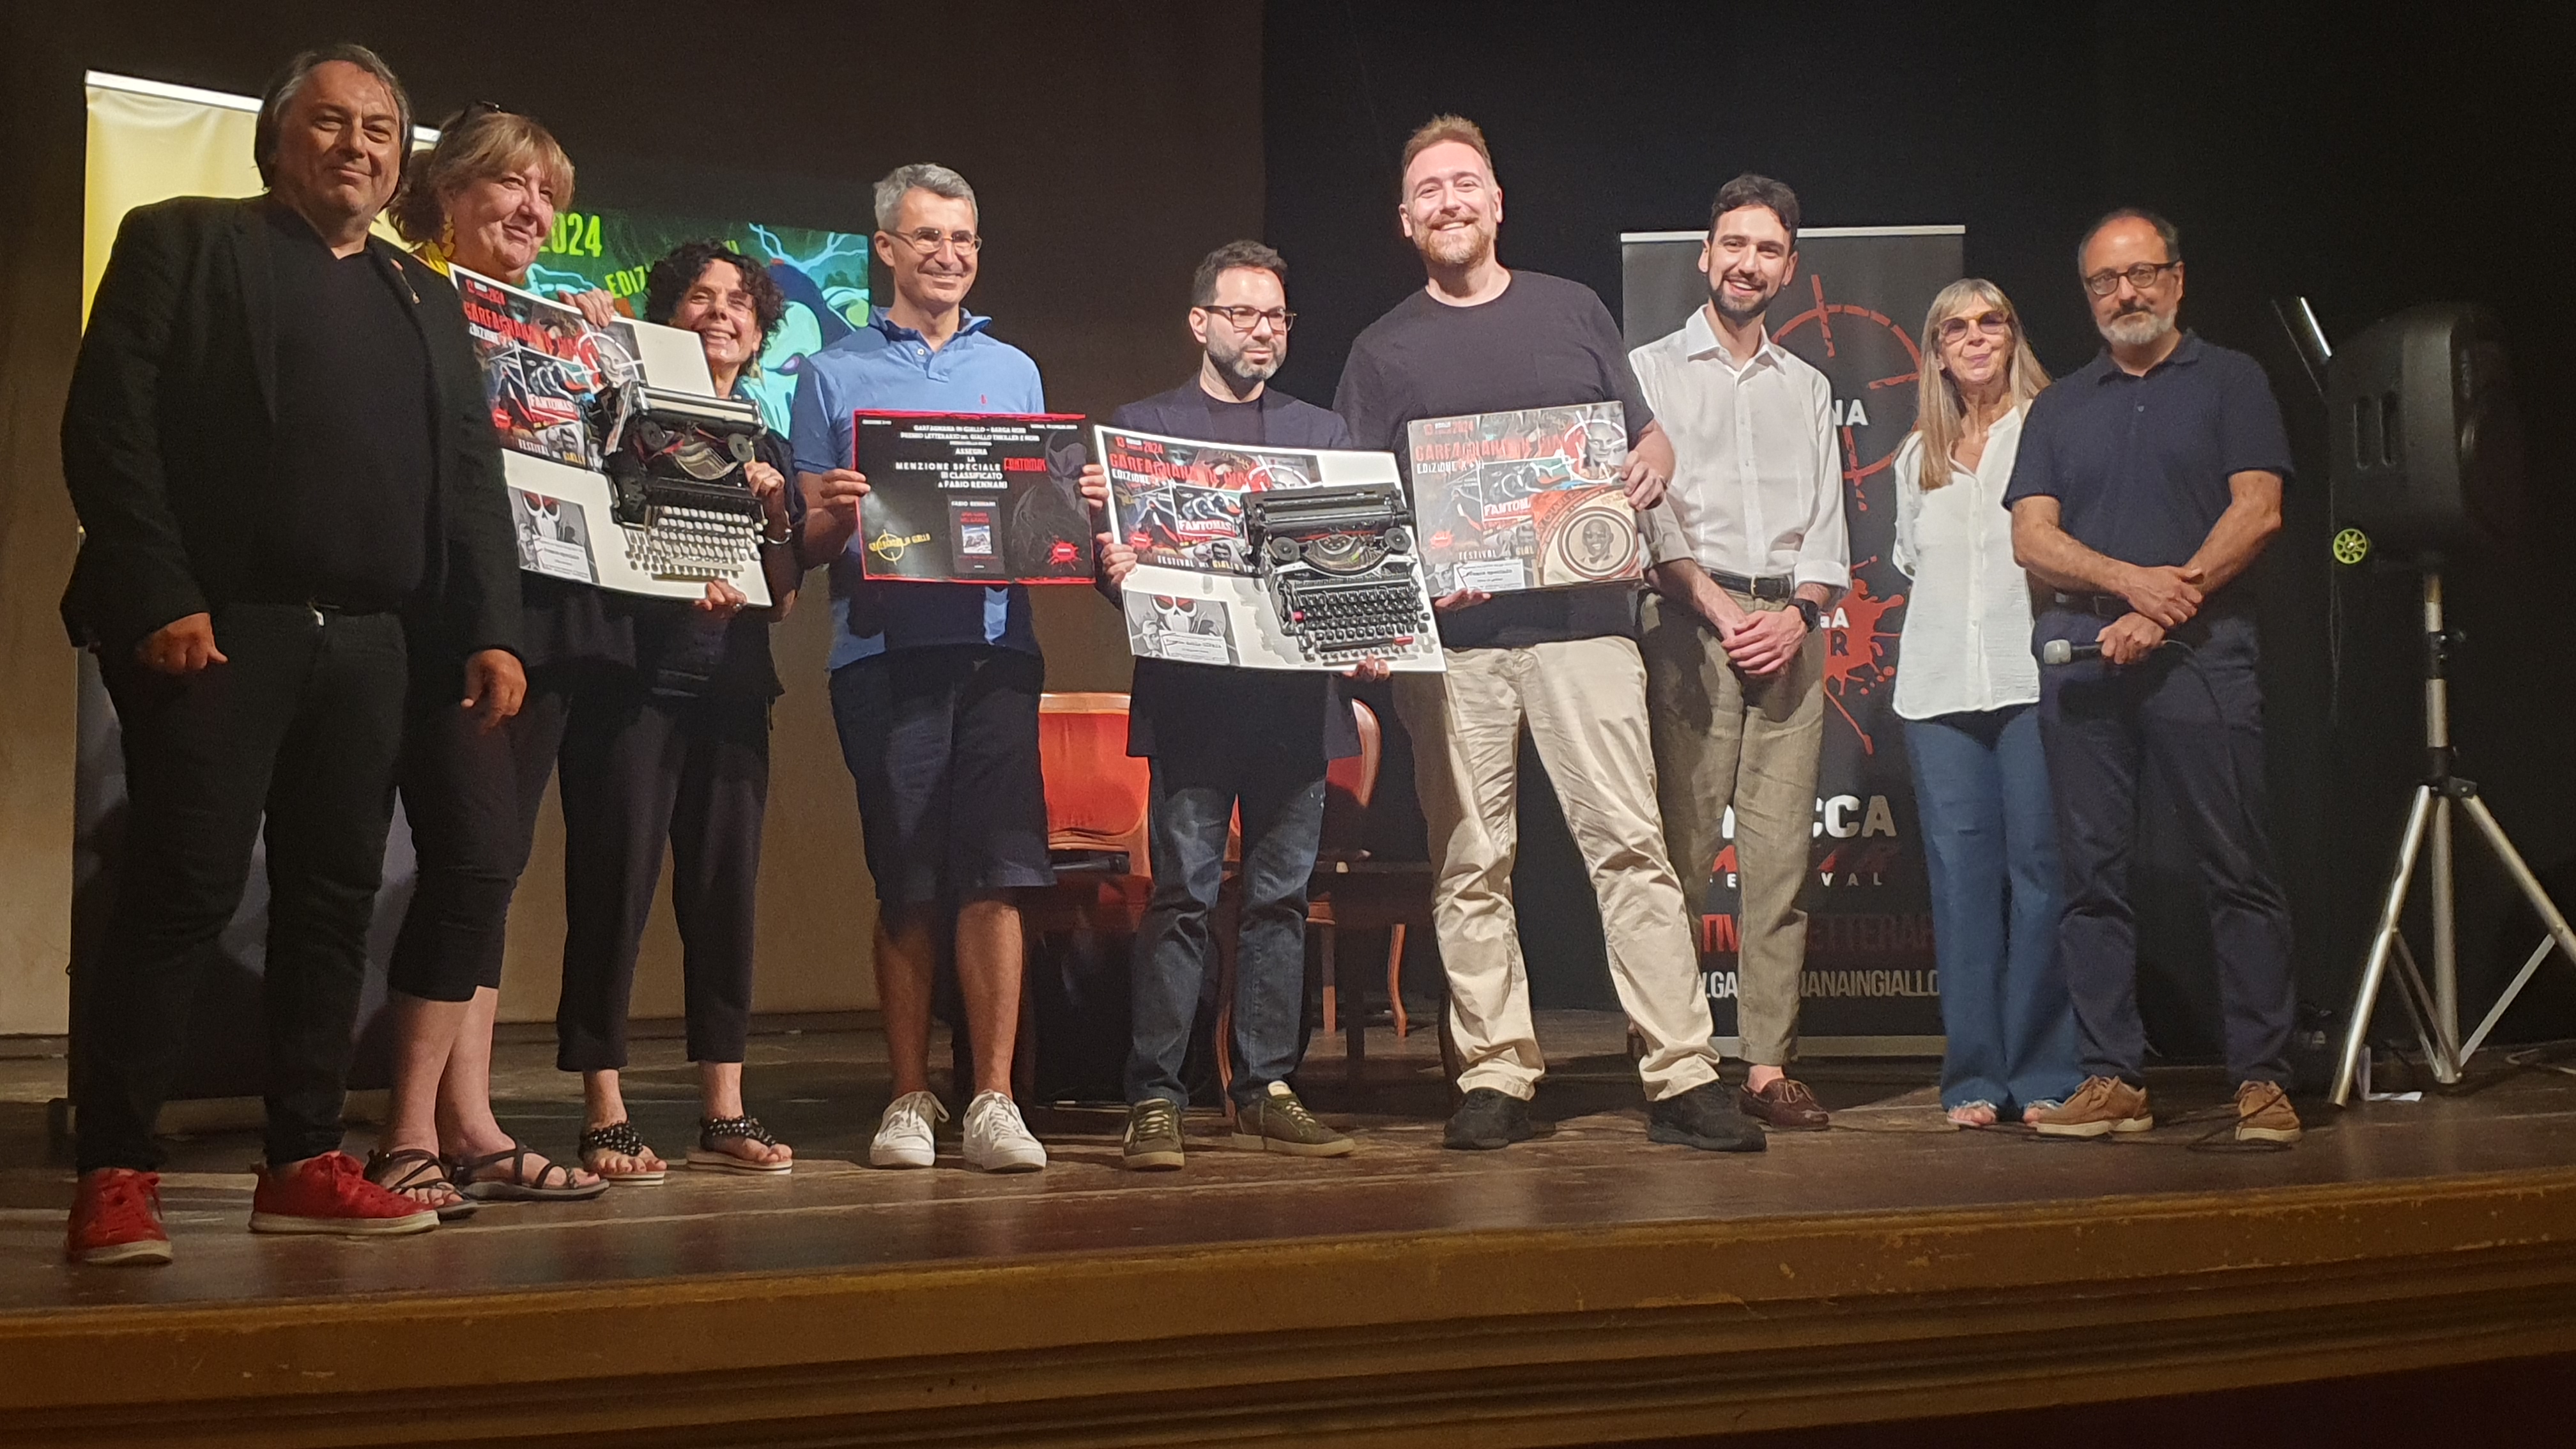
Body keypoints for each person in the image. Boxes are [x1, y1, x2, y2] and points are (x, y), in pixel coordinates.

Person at [59, 45, 523, 1262]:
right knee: (182, 892)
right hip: (218, 630)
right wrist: (162, 592)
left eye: (380, 130)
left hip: (374, 642)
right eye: (330, 122)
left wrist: (490, 625)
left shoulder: (422, 297)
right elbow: (109, 427)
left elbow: (470, 478)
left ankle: (305, 1161)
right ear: (278, 140)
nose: (357, 146)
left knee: (332, 903)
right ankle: (116, 1171)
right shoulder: (183, 240)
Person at [1331, 116, 1760, 1154]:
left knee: (1632, 849)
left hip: (1585, 627)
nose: (1449, 201)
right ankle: (1495, 1072)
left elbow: (1643, 433)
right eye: (1429, 189)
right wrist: (1408, 592)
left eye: (1465, 182)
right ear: (1406, 219)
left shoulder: (1571, 309)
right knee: (1470, 862)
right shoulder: (1381, 350)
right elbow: (1357, 513)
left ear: (1497, 201)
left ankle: (1682, 1071)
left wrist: (1654, 461)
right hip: (1456, 649)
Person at [371, 105, 638, 1210]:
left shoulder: (572, 326)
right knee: (470, 861)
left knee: (494, 872)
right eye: (510, 185)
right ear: (447, 192)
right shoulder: (402, 295)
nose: (532, 210)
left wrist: (612, 362)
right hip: (452, 612)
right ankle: (406, 1134)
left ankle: (469, 1125)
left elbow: (628, 469)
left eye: (547, 196)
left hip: (559, 612)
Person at [2004, 208, 2303, 1146]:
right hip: (2082, 661)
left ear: (2176, 278)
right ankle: (2113, 1079)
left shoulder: (2232, 380)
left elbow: (2259, 511)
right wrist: (2129, 585)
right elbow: (2032, 538)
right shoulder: (2060, 405)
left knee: (2238, 869)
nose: (2124, 294)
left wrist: (2166, 605)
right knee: (2090, 881)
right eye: (2105, 281)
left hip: (2203, 656)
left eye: (2140, 274)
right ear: (2087, 295)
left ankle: (2263, 1079)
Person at [1083, 241, 1379, 1171]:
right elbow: (1118, 579)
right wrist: (1113, 569)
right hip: (1193, 704)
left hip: (1295, 707)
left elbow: (1352, 559)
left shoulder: (1322, 433)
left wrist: (1370, 625)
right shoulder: (1145, 429)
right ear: (1200, 322)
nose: (1263, 332)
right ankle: (1156, 1096)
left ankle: (1265, 1089)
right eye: (1245, 314)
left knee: (1280, 902)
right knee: (1181, 899)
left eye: (1277, 317)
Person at [792, 164, 1051, 1173]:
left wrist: (1066, 517)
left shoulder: (1015, 369)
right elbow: (807, 542)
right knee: (905, 880)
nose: (949, 256)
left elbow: (1033, 517)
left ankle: (993, 1099)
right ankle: (907, 1097)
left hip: (997, 650)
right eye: (928, 237)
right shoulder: (831, 375)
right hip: (882, 653)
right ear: (886, 250)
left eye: (964, 239)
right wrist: (834, 513)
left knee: (997, 876)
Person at [551, 241, 809, 1180]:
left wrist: (775, 511)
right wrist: (590, 337)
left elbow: (781, 598)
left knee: (723, 898)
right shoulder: (615, 414)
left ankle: (724, 1108)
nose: (721, 313)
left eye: (740, 302)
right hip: (627, 682)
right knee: (611, 890)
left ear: (760, 331)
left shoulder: (766, 443)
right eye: (700, 297)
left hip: (731, 689)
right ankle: (604, 1109)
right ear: (667, 316)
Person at [1629, 174, 1848, 1133]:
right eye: (1733, 245)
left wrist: (1796, 615)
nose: (1747, 264)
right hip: (1688, 623)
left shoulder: (1810, 386)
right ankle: (1675, 1063)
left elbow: (1829, 529)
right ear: (1704, 255)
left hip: (1789, 630)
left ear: (1789, 268)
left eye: (1767, 250)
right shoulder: (1648, 372)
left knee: (1779, 862)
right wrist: (1723, 611)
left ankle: (1765, 1066)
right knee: (1677, 856)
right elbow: (1647, 522)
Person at [1888, 280, 2080, 1130]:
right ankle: (1972, 1076)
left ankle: (2046, 1071)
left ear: (2012, 335)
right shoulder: (1916, 458)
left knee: (2042, 878)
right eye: (1955, 328)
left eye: (1990, 322)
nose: (1974, 338)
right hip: (1937, 694)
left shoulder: (2050, 430)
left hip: (2030, 683)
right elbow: (1910, 560)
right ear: (1936, 352)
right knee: (1961, 889)